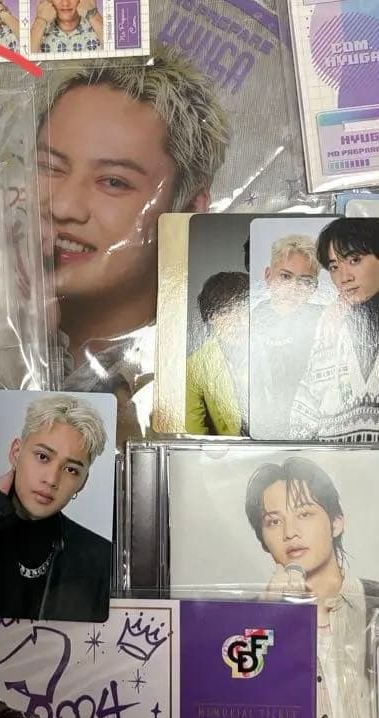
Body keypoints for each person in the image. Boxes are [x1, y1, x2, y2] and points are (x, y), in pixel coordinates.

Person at [38, 45, 230, 434]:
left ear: (188, 209)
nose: (63, 206)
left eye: (113, 182)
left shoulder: (201, 383)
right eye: (50, 167)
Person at [245, 456, 379, 718]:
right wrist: (264, 618)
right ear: (263, 540)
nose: (290, 532)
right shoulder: (245, 624)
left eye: (304, 514)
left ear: (336, 522)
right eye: (274, 522)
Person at [0, 394, 111, 621]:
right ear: (16, 453)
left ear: (83, 482)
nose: (51, 479)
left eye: (71, 470)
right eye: (43, 456)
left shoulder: (100, 558)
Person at [290, 217, 379, 443]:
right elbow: (302, 419)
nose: (344, 277)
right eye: (334, 267)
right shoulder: (329, 328)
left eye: (354, 260)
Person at [249, 233, 324, 440]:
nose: (293, 287)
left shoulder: (324, 320)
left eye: (305, 281)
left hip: (311, 431)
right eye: (285, 276)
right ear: (268, 276)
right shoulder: (252, 318)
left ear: (315, 287)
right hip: (260, 430)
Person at [184, 271, 249, 435]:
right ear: (210, 318)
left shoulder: (275, 349)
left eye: (243, 309)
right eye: (225, 312)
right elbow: (193, 433)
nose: (237, 321)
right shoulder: (195, 366)